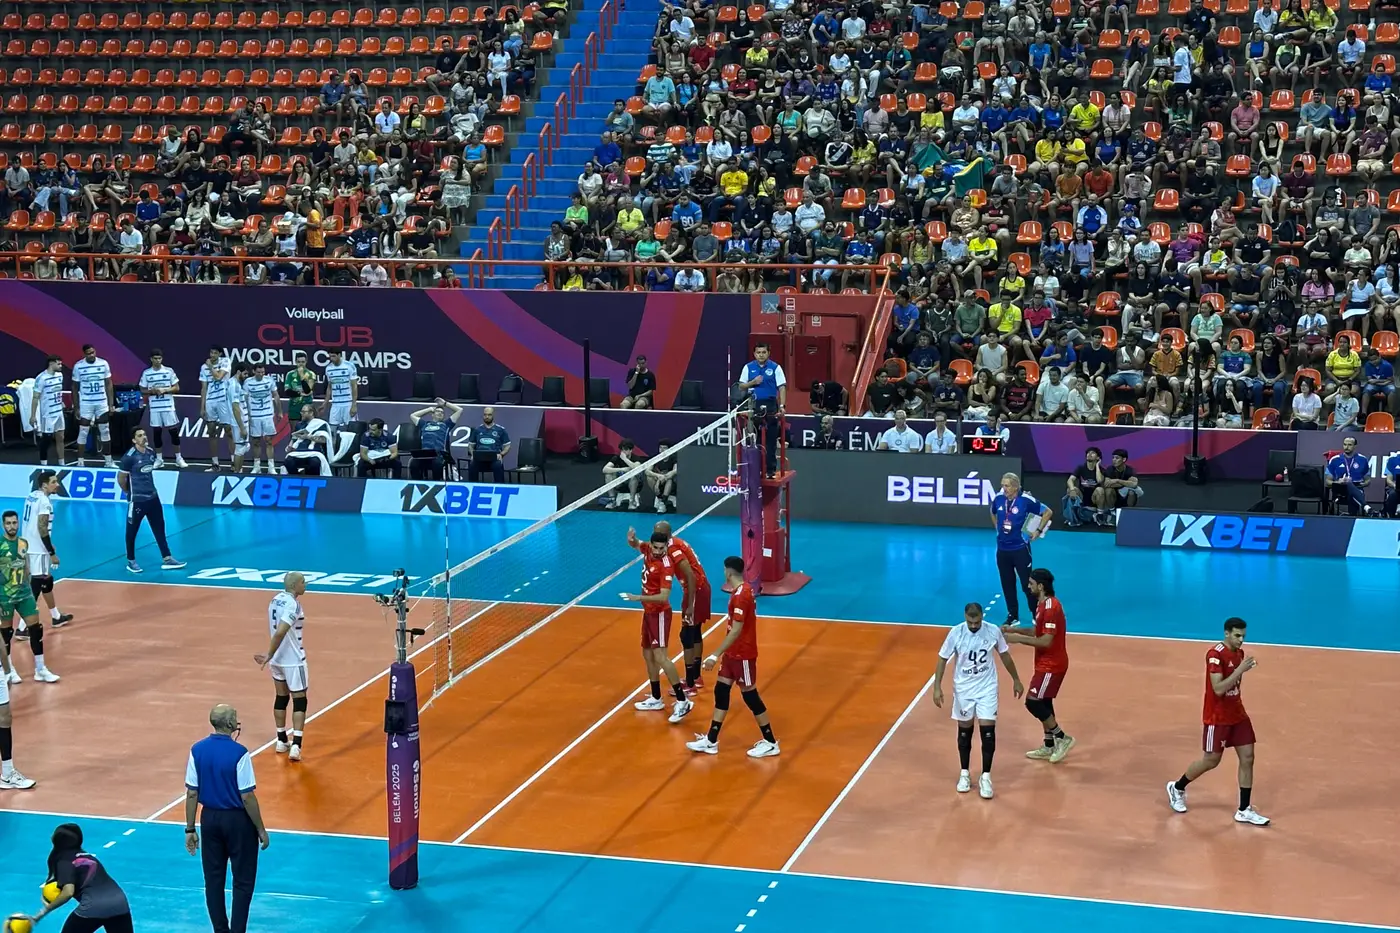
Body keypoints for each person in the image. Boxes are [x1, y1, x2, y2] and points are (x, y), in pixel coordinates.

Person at [1166, 618, 1270, 825]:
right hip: (1217, 717)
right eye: (1237, 635)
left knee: (1248, 757)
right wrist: (1240, 670)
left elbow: (1234, 687)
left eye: (1243, 636)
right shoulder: (1214, 655)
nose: (1241, 640)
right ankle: (1177, 787)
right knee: (1211, 760)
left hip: (1237, 714)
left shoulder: (1239, 654)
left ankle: (1244, 809)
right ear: (1226, 633)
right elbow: (1219, 689)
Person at [184, 704, 271, 933]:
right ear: (230, 723)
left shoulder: (197, 750)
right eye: (235, 717)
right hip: (238, 821)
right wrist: (260, 829)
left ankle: (220, 930)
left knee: (213, 881)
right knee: (243, 881)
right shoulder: (239, 753)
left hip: (210, 820)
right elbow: (247, 796)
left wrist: (190, 829)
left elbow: (192, 792)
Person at [685, 556, 780, 758]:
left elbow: (736, 630)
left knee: (750, 696)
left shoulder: (741, 596)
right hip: (732, 654)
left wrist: (714, 654)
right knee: (721, 691)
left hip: (743, 654)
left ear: (728, 572)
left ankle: (771, 742)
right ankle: (711, 740)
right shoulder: (741, 590)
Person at [932, 602, 1024, 799]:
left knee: (988, 732)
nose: (974, 626)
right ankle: (964, 773)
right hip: (964, 690)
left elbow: (1005, 655)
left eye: (977, 622)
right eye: (970, 622)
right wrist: (937, 686)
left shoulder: (992, 631)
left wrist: (1016, 679)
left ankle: (986, 776)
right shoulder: (956, 633)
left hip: (986, 688)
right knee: (965, 731)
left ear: (982, 617)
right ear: (965, 618)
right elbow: (942, 658)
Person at [620, 531, 693, 724]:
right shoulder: (647, 549)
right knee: (647, 653)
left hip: (659, 613)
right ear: (651, 545)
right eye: (656, 547)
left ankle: (683, 700)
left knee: (661, 656)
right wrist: (632, 540)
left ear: (666, 546)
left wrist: (637, 597)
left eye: (662, 548)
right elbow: (637, 544)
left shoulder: (666, 566)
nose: (659, 551)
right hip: (648, 612)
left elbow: (663, 596)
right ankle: (656, 697)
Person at [1003, 568, 1074, 763]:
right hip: (1045, 663)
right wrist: (1014, 630)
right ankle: (1049, 745)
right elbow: (1037, 631)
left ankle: (1062, 738)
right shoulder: (1042, 604)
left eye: (1031, 584)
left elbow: (1045, 641)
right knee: (1044, 702)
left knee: (1033, 702)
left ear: (1041, 586)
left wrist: (1016, 639)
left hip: (1052, 665)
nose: (1028, 586)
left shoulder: (1051, 608)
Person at [24, 823, 133, 932]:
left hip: (94, 906)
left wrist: (43, 911)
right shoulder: (86, 856)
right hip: (120, 902)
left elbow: (68, 892)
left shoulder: (64, 861)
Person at [643, 520, 710, 694]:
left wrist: (690, 605)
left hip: (696, 590)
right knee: (695, 633)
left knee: (687, 635)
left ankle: (690, 684)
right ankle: (696, 677)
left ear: (668, 535)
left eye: (661, 534)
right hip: (700, 589)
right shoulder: (674, 543)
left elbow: (691, 577)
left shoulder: (673, 549)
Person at [255, 573, 308, 762]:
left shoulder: (275, 600)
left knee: (281, 697)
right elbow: (280, 632)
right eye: (303, 582)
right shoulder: (293, 604)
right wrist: (268, 654)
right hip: (292, 660)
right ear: (294, 585)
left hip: (277, 661)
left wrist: (272, 656)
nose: (305, 584)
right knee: (300, 700)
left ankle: (281, 740)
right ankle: (296, 746)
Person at [117, 429, 187, 574]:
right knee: (132, 532)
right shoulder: (129, 458)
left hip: (153, 498)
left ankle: (167, 558)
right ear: (134, 440)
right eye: (140, 436)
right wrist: (129, 492)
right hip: (137, 500)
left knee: (159, 528)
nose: (144, 437)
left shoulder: (150, 452)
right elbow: (121, 479)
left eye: (144, 434)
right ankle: (131, 561)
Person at [1, 510, 58, 685]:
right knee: (6, 634)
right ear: (3, 525)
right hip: (4, 596)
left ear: (18, 523)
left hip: (24, 594)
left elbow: (26, 567)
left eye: (14, 523)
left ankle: (40, 669)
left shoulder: (23, 543)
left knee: (36, 629)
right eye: (8, 523)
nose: (12, 526)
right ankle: (9, 671)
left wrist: (27, 585)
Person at [989, 473, 1051, 625]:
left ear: (1016, 487)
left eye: (1007, 486)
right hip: (1002, 550)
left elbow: (1047, 512)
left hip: (1020, 549)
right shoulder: (999, 498)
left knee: (1027, 584)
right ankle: (1013, 615)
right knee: (1007, 583)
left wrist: (1038, 531)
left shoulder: (1026, 500)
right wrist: (998, 529)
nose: (1004, 488)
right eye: (1002, 485)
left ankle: (1035, 613)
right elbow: (992, 511)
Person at [22, 470, 73, 635]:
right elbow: (42, 527)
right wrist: (51, 552)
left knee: (46, 581)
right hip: (39, 550)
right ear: (45, 485)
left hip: (29, 546)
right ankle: (22, 627)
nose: (57, 485)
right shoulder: (45, 502)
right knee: (37, 586)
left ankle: (56, 616)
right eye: (54, 482)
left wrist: (48, 544)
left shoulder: (32, 496)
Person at [738, 343, 787, 477]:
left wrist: (782, 406)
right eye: (758, 352)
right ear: (754, 354)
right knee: (755, 439)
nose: (761, 355)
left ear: (768, 353)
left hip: (771, 405)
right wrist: (753, 382)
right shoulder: (748, 367)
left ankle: (770, 470)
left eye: (763, 352)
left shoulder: (775, 368)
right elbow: (741, 386)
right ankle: (756, 469)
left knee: (771, 440)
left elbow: (782, 387)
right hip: (754, 405)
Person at [138, 349, 188, 470]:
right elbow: (142, 389)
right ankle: (159, 459)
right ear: (151, 359)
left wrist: (165, 390)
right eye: (155, 358)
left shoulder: (168, 371)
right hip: (155, 407)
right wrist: (152, 391)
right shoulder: (147, 373)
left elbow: (176, 387)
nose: (157, 361)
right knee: (157, 433)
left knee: (173, 432)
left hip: (168, 406)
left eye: (159, 358)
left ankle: (178, 458)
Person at [72, 344, 114, 468]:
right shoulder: (78, 366)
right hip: (86, 403)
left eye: (93, 352)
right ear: (84, 354)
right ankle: (80, 461)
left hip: (101, 402)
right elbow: (74, 387)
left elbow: (108, 384)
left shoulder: (103, 364)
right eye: (89, 353)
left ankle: (108, 461)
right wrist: (76, 407)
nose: (91, 355)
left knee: (105, 430)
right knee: (83, 431)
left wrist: (111, 404)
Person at [408, 398, 462, 480]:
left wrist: (445, 403)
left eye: (442, 412)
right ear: (432, 414)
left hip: (438, 455)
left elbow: (459, 410)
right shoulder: (424, 424)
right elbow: (413, 415)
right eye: (437, 411)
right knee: (414, 464)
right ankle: (417, 483)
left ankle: (436, 483)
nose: (440, 413)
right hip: (424, 454)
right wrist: (429, 409)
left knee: (437, 464)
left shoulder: (446, 424)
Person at [242, 363, 281, 474]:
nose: (261, 374)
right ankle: (257, 466)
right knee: (256, 441)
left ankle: (271, 467)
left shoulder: (269, 380)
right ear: (254, 372)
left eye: (263, 372)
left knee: (269, 441)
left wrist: (279, 411)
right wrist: (246, 414)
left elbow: (276, 395)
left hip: (267, 414)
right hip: (254, 415)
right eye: (259, 372)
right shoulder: (248, 382)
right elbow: (245, 398)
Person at [199, 346, 234, 472]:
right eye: (211, 352)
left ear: (219, 354)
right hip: (210, 401)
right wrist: (202, 407)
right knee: (212, 431)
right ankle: (215, 464)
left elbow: (218, 377)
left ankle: (234, 462)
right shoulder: (203, 367)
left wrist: (210, 366)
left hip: (223, 400)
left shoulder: (225, 361)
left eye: (215, 353)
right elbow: (204, 388)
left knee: (228, 430)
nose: (212, 355)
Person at [31, 355, 66, 467]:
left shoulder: (60, 375)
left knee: (60, 438)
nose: (61, 366)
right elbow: (35, 397)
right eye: (58, 364)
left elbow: (58, 391)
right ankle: (43, 464)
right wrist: (33, 416)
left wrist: (61, 402)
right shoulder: (41, 378)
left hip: (59, 412)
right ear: (51, 363)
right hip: (48, 414)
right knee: (47, 440)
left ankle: (62, 463)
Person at [465, 406, 510, 482]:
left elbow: (507, 445)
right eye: (485, 415)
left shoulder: (500, 430)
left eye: (489, 415)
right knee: (472, 464)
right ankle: (472, 485)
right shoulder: (477, 430)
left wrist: (501, 454)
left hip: (494, 458)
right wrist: (473, 454)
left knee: (498, 465)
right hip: (479, 458)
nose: (487, 417)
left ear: (493, 415)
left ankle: (499, 486)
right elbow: (470, 445)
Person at [321, 348, 360, 434]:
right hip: (335, 404)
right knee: (332, 430)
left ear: (339, 355)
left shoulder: (349, 366)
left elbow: (354, 386)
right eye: (330, 357)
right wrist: (325, 403)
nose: (331, 359)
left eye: (334, 356)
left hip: (348, 403)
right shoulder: (328, 368)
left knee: (351, 431)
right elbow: (329, 387)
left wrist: (354, 404)